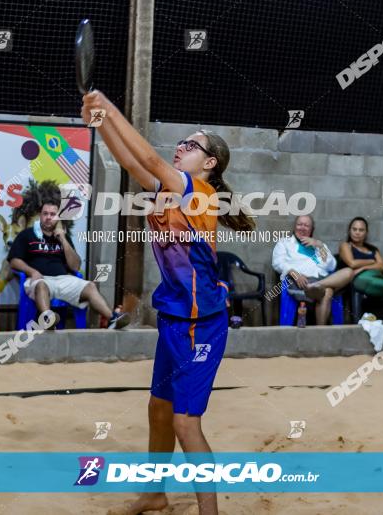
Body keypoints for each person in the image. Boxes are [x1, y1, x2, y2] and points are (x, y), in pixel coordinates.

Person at [82, 90, 255, 515]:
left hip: (203, 322)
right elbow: (132, 162)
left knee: (184, 423)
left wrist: (108, 108)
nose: (181, 147)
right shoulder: (169, 190)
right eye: (183, 141)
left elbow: (153, 160)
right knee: (159, 410)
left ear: (209, 163)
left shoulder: (202, 195)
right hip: (175, 316)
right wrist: (99, 121)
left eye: (192, 145)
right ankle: (155, 492)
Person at [8, 199, 128, 330]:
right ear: (40, 215)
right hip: (40, 279)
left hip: (63, 279)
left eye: (52, 214)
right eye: (45, 214)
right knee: (41, 285)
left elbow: (75, 266)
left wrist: (63, 239)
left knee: (90, 286)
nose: (48, 217)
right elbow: (14, 261)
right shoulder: (27, 235)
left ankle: (112, 319)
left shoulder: (63, 237)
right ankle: (47, 319)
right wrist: (32, 272)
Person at [271, 215, 354, 325]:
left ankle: (318, 285)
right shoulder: (285, 243)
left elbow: (331, 266)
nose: (302, 227)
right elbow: (277, 262)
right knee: (328, 291)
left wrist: (319, 246)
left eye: (306, 225)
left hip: (322, 280)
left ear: (312, 229)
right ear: (294, 227)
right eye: (299, 224)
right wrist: (293, 272)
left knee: (349, 272)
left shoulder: (318, 245)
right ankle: (320, 332)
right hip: (301, 281)